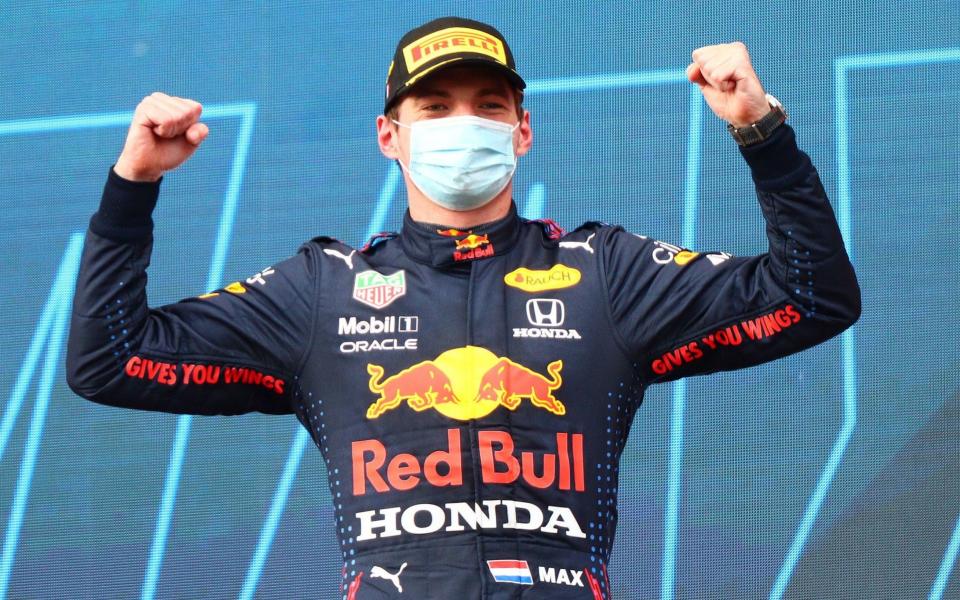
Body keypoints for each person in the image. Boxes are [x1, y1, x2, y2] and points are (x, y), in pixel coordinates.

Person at [66, 16, 860, 600]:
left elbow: (812, 297)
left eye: (487, 106)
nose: (463, 125)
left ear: (522, 132)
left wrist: (762, 132)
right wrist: (133, 187)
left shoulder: (605, 272)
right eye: (435, 108)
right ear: (390, 135)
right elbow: (110, 360)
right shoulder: (322, 290)